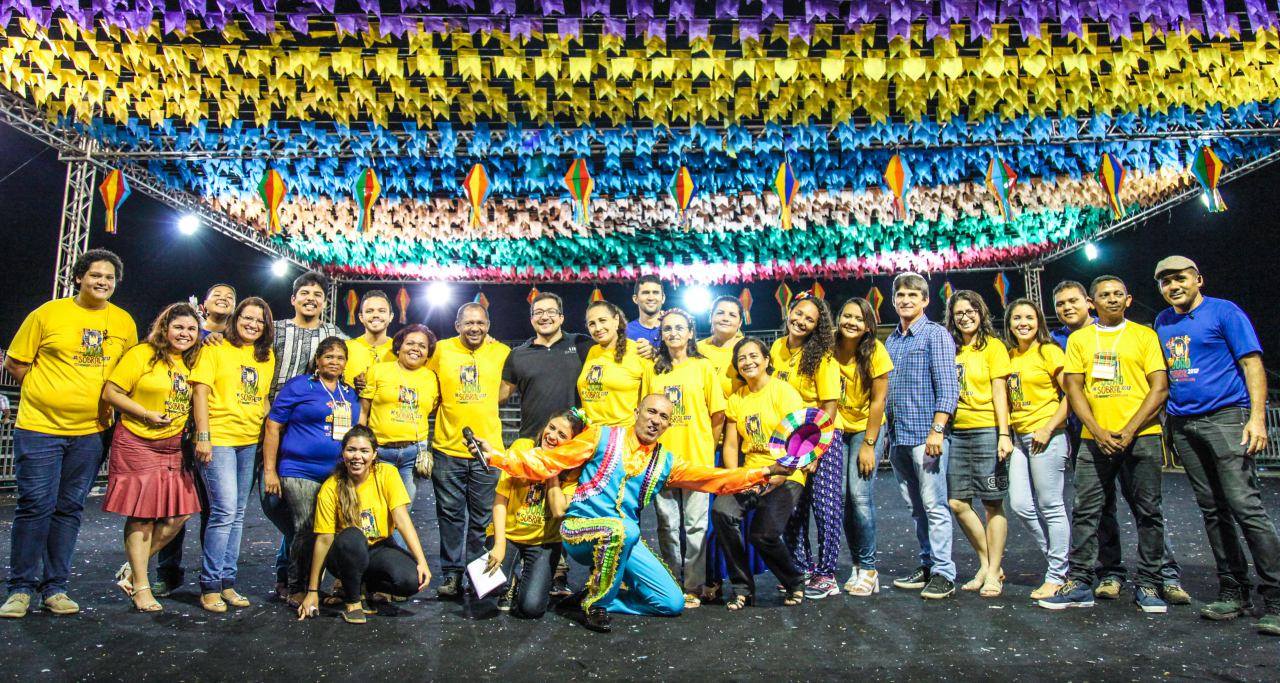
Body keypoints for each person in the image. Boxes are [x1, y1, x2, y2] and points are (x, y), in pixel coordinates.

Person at [473, 394, 794, 633]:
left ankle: (597, 594)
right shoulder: (600, 436)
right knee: (623, 530)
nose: (656, 420)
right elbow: (546, 461)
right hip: (579, 530)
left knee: (671, 603)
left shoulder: (666, 462)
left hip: (622, 537)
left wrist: (765, 471)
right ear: (636, 411)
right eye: (651, 411)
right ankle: (595, 604)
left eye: (664, 416)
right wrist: (497, 457)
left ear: (669, 425)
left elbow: (714, 478)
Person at [1, 249, 138, 619]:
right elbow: (15, 362)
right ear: (79, 277)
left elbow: (127, 373)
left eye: (109, 277)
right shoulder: (47, 314)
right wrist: (46, 392)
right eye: (95, 275)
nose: (102, 282)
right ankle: (20, 588)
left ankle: (55, 588)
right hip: (39, 428)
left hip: (91, 433)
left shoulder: (123, 322)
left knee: (69, 508)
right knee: (35, 505)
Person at [1152, 256, 1280, 634]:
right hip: (1184, 424)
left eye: (1180, 278)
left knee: (1246, 507)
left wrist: (1257, 418)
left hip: (1226, 418)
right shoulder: (1163, 321)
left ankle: (1275, 597)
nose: (1173, 286)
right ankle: (1234, 591)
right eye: (1165, 282)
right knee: (1212, 510)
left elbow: (1252, 364)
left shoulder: (1225, 312)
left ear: (1198, 280)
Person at [1040, 275, 1172, 614]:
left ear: (1128, 300)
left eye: (1117, 294)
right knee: (1086, 512)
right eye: (1104, 295)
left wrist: (1129, 430)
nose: (1111, 299)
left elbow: (1159, 387)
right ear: (1093, 302)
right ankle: (1080, 582)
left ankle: (1149, 583)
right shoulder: (1080, 339)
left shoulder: (1144, 335)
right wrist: (1097, 430)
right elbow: (1073, 388)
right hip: (1093, 439)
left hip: (1142, 437)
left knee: (1148, 511)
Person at [99, 303, 201, 613]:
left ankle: (133, 568)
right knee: (142, 516)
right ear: (164, 328)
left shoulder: (194, 361)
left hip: (174, 446)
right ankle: (141, 587)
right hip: (137, 442)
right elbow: (111, 393)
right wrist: (145, 413)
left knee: (180, 514)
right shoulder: (142, 354)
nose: (185, 334)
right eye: (179, 327)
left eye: (191, 329)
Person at [499, 291, 591, 597]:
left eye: (551, 311)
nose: (545, 316)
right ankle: (522, 568)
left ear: (562, 317)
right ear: (531, 319)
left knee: (566, 510)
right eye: (538, 312)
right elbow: (498, 395)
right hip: (533, 445)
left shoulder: (581, 345)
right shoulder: (519, 355)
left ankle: (564, 573)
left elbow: (614, 348)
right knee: (531, 509)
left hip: (573, 447)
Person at [189, 297, 275, 613]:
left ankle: (228, 582)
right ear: (236, 319)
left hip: (249, 442)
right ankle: (210, 585)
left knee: (237, 514)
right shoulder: (214, 348)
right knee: (223, 512)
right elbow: (200, 392)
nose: (253, 324)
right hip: (220, 440)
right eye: (247, 318)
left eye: (260, 320)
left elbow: (262, 398)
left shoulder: (266, 356)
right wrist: (204, 437)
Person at [297, 426, 432, 624]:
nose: (357, 456)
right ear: (343, 453)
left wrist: (422, 561)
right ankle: (352, 602)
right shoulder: (331, 487)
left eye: (364, 451)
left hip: (377, 547)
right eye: (351, 450)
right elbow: (324, 540)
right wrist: (312, 591)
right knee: (353, 537)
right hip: (344, 553)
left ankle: (364, 586)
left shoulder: (387, 474)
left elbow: (402, 520)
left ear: (374, 454)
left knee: (411, 581)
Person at [265, 271, 346, 600]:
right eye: (305, 293)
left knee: (311, 520)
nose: (311, 299)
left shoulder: (333, 333)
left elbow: (351, 362)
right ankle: (293, 579)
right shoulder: (275, 330)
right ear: (293, 299)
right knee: (282, 509)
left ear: (325, 302)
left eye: (317, 294)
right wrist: (211, 334)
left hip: (313, 434)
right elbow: (241, 346)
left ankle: (298, 580)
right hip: (270, 426)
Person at [263, 337, 361, 607]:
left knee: (331, 529)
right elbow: (273, 426)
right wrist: (270, 471)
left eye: (340, 358)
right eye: (328, 357)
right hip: (299, 470)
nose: (334, 362)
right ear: (317, 360)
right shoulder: (299, 386)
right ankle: (297, 588)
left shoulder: (349, 393)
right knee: (306, 528)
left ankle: (319, 585)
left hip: (336, 474)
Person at [154, 283, 237, 597]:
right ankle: (167, 572)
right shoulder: (189, 333)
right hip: (179, 431)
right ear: (204, 303)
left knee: (214, 510)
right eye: (217, 295)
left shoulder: (235, 341)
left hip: (215, 433)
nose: (224, 300)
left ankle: (211, 576)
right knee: (173, 507)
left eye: (230, 297)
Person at [712, 337, 808, 610]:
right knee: (722, 512)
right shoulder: (737, 399)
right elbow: (732, 445)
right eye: (741, 358)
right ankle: (742, 588)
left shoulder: (784, 392)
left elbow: (800, 439)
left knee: (762, 535)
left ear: (766, 360)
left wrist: (783, 474)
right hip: (753, 475)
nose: (748, 362)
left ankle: (794, 581)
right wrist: (735, 479)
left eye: (754, 356)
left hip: (786, 473)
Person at [642, 309, 726, 609]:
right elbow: (645, 413)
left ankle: (693, 585)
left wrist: (707, 448)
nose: (673, 333)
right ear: (661, 335)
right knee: (666, 526)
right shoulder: (653, 370)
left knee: (695, 527)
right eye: (667, 329)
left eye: (679, 328)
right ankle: (671, 582)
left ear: (690, 333)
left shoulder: (703, 367)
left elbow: (718, 414)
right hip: (662, 461)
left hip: (696, 460)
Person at [884, 272, 959, 600]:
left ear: (926, 300)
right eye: (900, 295)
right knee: (916, 508)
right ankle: (927, 563)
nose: (905, 300)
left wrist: (937, 430)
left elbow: (949, 388)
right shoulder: (891, 341)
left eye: (913, 295)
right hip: (899, 437)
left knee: (934, 506)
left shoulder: (936, 335)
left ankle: (944, 572)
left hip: (926, 437)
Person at [427, 303, 511, 599]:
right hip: (447, 448)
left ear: (488, 325)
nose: (475, 328)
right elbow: (423, 380)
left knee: (483, 519)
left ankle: (479, 576)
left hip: (488, 452)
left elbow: (508, 387)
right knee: (450, 517)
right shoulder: (440, 350)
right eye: (469, 323)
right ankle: (451, 575)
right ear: (457, 325)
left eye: (480, 322)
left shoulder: (501, 352)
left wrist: (485, 402)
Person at [771, 294, 843, 600]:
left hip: (821, 437)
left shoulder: (823, 357)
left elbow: (829, 405)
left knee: (825, 507)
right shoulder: (776, 348)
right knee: (793, 506)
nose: (801, 321)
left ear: (817, 326)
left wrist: (817, 449)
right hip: (790, 439)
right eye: (798, 314)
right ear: (790, 312)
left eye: (809, 319)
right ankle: (799, 567)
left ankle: (826, 574)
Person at [944, 290, 1014, 598]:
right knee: (957, 502)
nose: (965, 317)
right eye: (959, 312)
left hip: (987, 430)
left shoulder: (993, 347)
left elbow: (1000, 392)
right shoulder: (950, 347)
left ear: (980, 313)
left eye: (970, 311)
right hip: (957, 432)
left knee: (992, 502)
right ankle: (987, 564)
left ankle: (993, 572)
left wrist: (1004, 433)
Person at [486, 410, 587, 618]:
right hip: (509, 535)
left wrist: (552, 466)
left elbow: (558, 510)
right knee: (488, 586)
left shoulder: (573, 470)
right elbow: (500, 501)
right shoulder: (523, 447)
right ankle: (509, 583)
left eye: (562, 435)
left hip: (544, 543)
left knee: (531, 608)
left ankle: (529, 583)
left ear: (570, 444)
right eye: (551, 428)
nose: (552, 436)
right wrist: (499, 545)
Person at [1004, 298, 1072, 600]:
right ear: (1009, 324)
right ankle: (1059, 561)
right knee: (1020, 504)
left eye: (1029, 317)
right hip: (1019, 438)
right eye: (1017, 318)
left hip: (1047, 436)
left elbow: (1073, 394)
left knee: (1051, 506)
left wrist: (1048, 428)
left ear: (1039, 322)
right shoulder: (1009, 356)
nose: (1023, 323)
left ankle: (1057, 575)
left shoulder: (1049, 351)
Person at [832, 297, 893, 597]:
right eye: (847, 316)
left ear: (868, 325)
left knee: (859, 496)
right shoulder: (828, 346)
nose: (851, 322)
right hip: (836, 429)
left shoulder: (875, 351)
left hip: (866, 428)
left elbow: (879, 401)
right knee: (843, 498)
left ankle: (869, 568)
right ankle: (857, 564)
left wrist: (869, 444)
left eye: (859, 318)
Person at [359, 324, 440, 504]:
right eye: (410, 343)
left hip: (413, 454)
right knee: (376, 506)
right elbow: (363, 411)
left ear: (428, 353)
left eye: (422, 346)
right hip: (380, 452)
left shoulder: (432, 378)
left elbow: (431, 408)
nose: (415, 349)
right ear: (398, 347)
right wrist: (361, 445)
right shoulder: (378, 370)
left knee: (403, 508)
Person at [578, 301, 650, 426]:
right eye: (592, 324)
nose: (598, 328)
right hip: (590, 433)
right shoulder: (592, 351)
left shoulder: (639, 351)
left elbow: (650, 399)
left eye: (602, 320)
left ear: (616, 320)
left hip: (622, 433)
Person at [696, 296, 746, 398]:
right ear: (711, 317)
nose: (725, 318)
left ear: (740, 322)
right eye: (720, 313)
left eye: (732, 315)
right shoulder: (697, 349)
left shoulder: (747, 349)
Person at [343, 290, 396, 387]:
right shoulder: (345, 348)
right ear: (361, 317)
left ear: (391, 317)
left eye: (382, 311)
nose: (375, 315)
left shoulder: (399, 350)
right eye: (369, 311)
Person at [626, 274, 666, 353]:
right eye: (645, 293)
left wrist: (655, 353)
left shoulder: (673, 329)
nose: (651, 298)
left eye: (656, 293)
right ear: (635, 299)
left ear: (663, 298)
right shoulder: (626, 332)